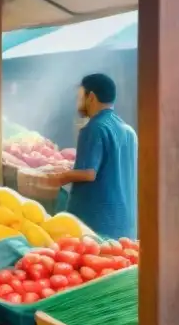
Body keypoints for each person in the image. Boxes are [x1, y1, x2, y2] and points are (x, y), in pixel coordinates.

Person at [50, 73, 137, 239]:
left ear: (91, 97)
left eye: (79, 97)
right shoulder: (128, 131)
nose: (77, 103)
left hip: (96, 227)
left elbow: (89, 173)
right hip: (125, 226)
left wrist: (57, 177)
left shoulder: (95, 128)